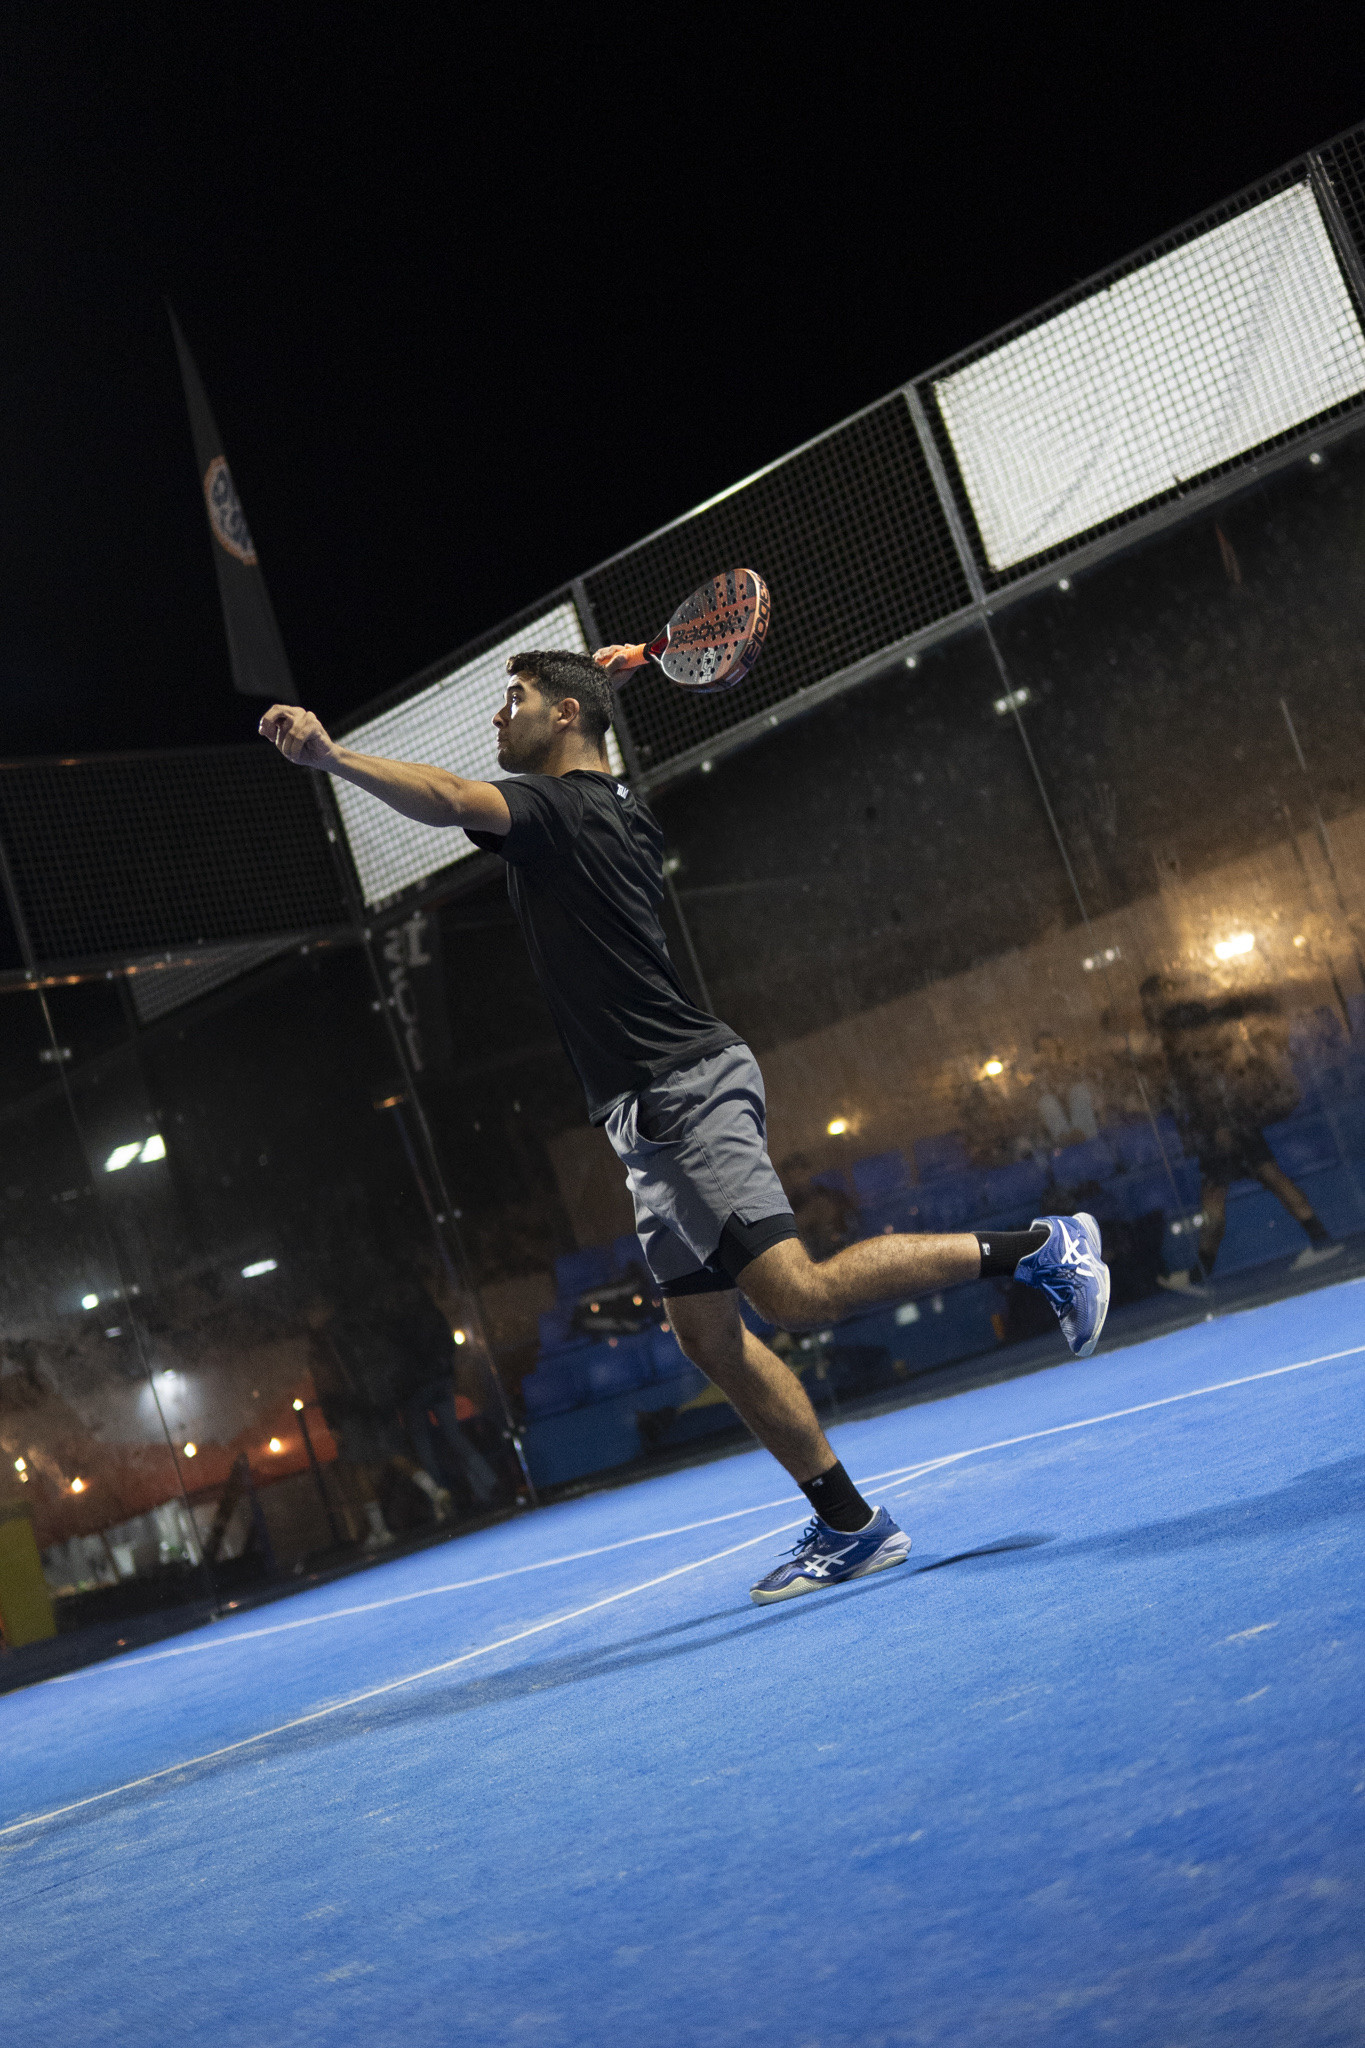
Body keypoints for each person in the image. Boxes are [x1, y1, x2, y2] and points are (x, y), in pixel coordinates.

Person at [260, 651, 1109, 1603]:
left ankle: (1044, 1248)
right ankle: (850, 1526)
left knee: (795, 1294)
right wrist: (598, 687)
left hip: (681, 1092)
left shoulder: (557, 809)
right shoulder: (613, 804)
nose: (498, 717)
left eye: (514, 699)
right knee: (708, 1336)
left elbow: (455, 798)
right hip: (651, 1112)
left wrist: (332, 759)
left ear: (566, 714)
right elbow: (561, 749)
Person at [1140, 974, 1341, 1284]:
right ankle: (1320, 1239)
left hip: (1223, 1129)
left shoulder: (1190, 1044)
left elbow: (1208, 1089)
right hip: (1232, 1125)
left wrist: (1220, 1127)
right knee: (1254, 1184)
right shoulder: (1197, 1040)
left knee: (1220, 1196)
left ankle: (1200, 1274)